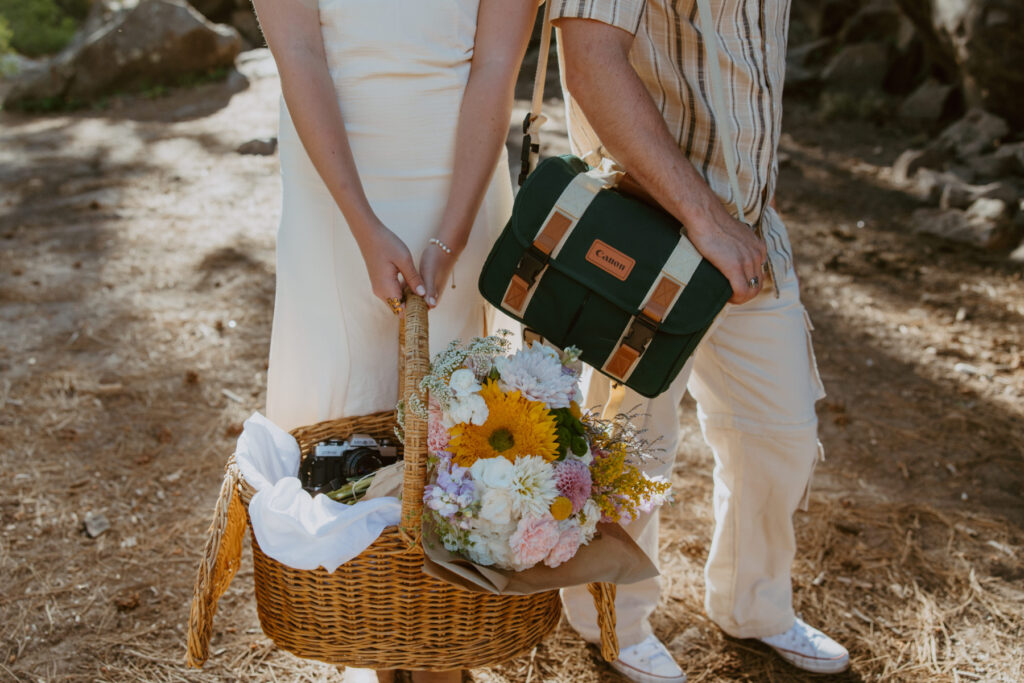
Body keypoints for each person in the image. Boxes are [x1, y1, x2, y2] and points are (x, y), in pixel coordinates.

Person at [549, 1, 851, 680]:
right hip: (640, 228)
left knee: (782, 434)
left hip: (748, 233)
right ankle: (613, 620)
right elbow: (590, 62)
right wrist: (702, 215)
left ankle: (756, 606)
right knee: (628, 440)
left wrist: (736, 213)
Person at [251, 0, 537, 681]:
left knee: (459, 425)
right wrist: (362, 222)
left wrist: (454, 231)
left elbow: (496, 64)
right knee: (349, 405)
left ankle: (443, 644)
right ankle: (370, 632)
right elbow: (300, 54)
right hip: (336, 183)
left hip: (457, 175)